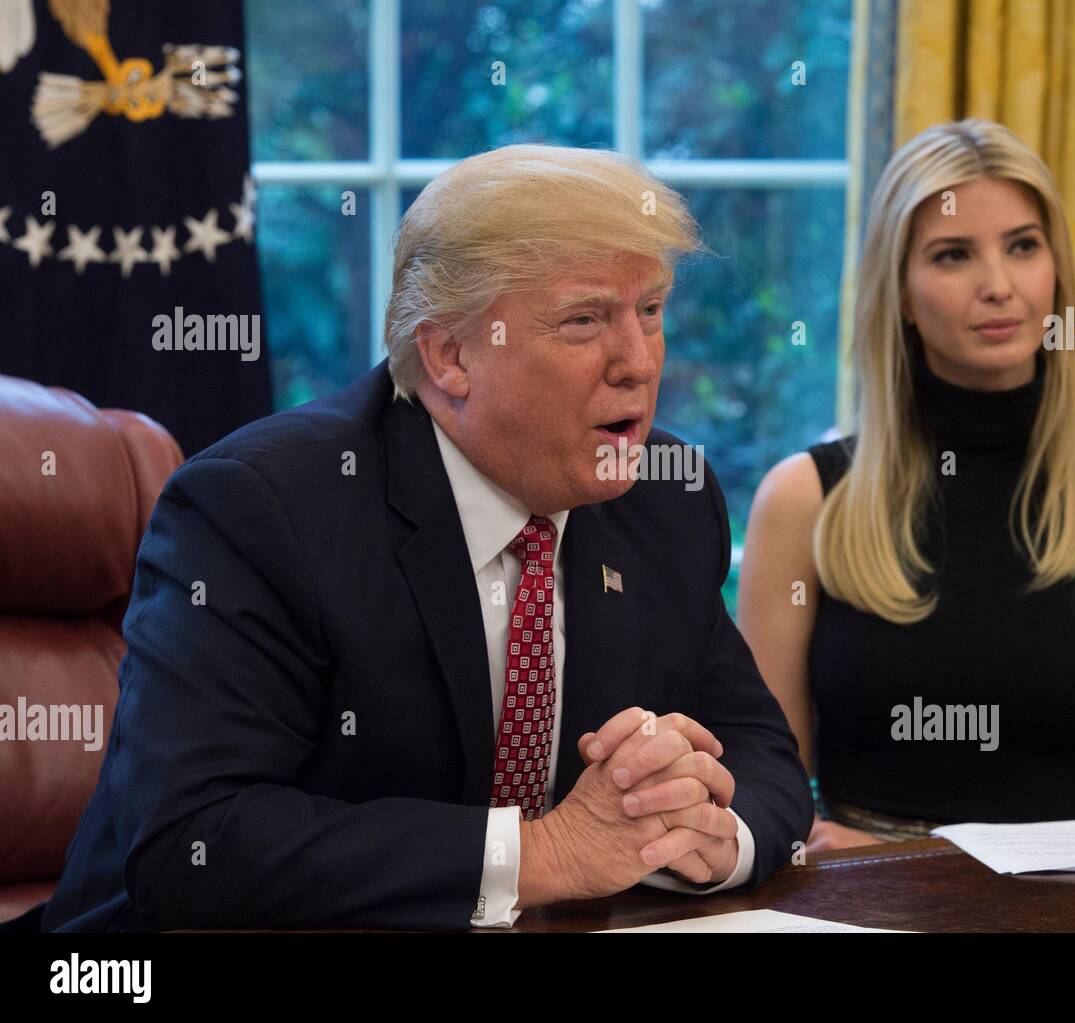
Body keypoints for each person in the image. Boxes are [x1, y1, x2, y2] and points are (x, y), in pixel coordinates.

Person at [23, 144, 812, 931]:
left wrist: (712, 834)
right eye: (585, 320)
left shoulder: (665, 497)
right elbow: (194, 842)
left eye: (651, 310)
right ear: (450, 356)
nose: (640, 363)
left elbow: (758, 749)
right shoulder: (261, 509)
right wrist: (546, 854)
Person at [738, 118, 1075, 851]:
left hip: (1070, 909)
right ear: (898, 291)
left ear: (1055, 269)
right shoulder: (805, 500)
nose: (999, 286)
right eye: (954, 254)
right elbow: (762, 793)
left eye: (1023, 246)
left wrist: (964, 871)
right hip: (860, 911)